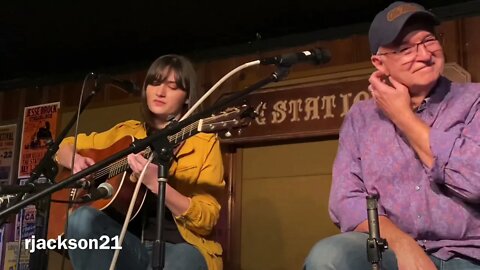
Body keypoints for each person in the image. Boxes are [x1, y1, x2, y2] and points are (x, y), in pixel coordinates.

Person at [304, 2, 480, 269]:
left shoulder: (473, 100)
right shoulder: (361, 118)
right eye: (406, 48)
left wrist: (403, 117)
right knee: (329, 257)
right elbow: (347, 200)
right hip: (390, 251)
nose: (423, 55)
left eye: (428, 40)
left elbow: (475, 180)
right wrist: (402, 244)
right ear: (379, 62)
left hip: (468, 254)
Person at [54, 54, 225, 270]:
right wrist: (76, 161)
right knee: (81, 218)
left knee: (183, 259)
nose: (160, 92)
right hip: (126, 246)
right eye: (154, 82)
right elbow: (62, 146)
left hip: (179, 248)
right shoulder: (127, 133)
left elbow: (207, 218)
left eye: (172, 86)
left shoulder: (203, 142)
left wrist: (157, 184)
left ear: (188, 97)